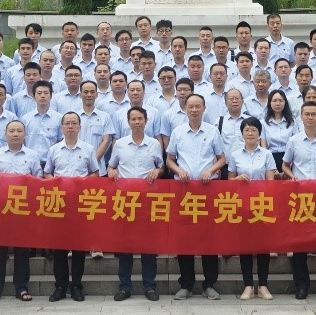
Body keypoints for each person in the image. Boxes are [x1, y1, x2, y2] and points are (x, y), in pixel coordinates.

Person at [166, 94, 227, 300]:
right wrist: (178, 170)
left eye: (197, 106)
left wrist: (210, 170)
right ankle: (186, 284)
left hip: (207, 190)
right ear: (185, 109)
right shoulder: (178, 132)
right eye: (190, 106)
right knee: (185, 238)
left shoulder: (212, 132)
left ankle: (209, 283)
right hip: (184, 192)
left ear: (203, 108)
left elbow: (221, 159)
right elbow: (170, 159)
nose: (194, 110)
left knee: (209, 238)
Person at [108, 107, 164, 301]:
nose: (137, 122)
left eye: (140, 118)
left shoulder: (154, 144)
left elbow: (161, 166)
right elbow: (111, 165)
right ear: (128, 122)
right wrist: (111, 171)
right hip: (125, 201)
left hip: (148, 201)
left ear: (146, 121)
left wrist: (158, 172)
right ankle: (125, 286)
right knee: (125, 246)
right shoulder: (120, 144)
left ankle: (149, 286)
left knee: (149, 246)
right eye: (133, 119)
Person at [0, 120, 43, 302]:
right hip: (0, 209)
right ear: (5, 134)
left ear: (25, 134)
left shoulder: (32, 155)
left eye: (19, 131)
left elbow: (38, 179)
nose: (15, 134)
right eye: (12, 131)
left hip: (22, 209)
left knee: (22, 251)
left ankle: (22, 288)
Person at [283, 102, 316, 300]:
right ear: (301, 117)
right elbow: (285, 165)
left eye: (314, 114)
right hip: (301, 198)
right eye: (307, 114)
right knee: (300, 245)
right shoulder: (294, 141)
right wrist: (292, 177)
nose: (310, 117)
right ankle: (302, 285)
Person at [45, 112, 101, 301]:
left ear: (79, 127)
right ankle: (60, 286)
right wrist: (57, 183)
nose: (70, 126)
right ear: (61, 127)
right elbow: (47, 174)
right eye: (67, 123)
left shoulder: (88, 149)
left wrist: (83, 183)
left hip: (80, 204)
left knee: (78, 248)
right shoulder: (54, 150)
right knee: (59, 248)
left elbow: (95, 173)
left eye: (74, 123)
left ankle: (76, 285)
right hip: (59, 204)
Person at [227, 115, 274, 300]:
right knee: (245, 246)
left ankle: (263, 285)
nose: (250, 133)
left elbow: (271, 182)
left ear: (259, 133)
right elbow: (229, 181)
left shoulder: (267, 154)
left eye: (254, 130)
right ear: (242, 134)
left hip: (262, 205)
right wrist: (237, 180)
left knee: (263, 247)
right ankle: (248, 285)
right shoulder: (235, 155)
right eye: (246, 130)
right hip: (242, 206)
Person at [263, 89, 295, 172]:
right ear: (269, 103)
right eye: (274, 101)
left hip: (289, 159)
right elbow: (264, 147)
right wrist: (272, 168)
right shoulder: (263, 123)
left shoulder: (293, 122)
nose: (278, 103)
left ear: (285, 102)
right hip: (270, 159)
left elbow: (295, 145)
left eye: (281, 100)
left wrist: (288, 167)